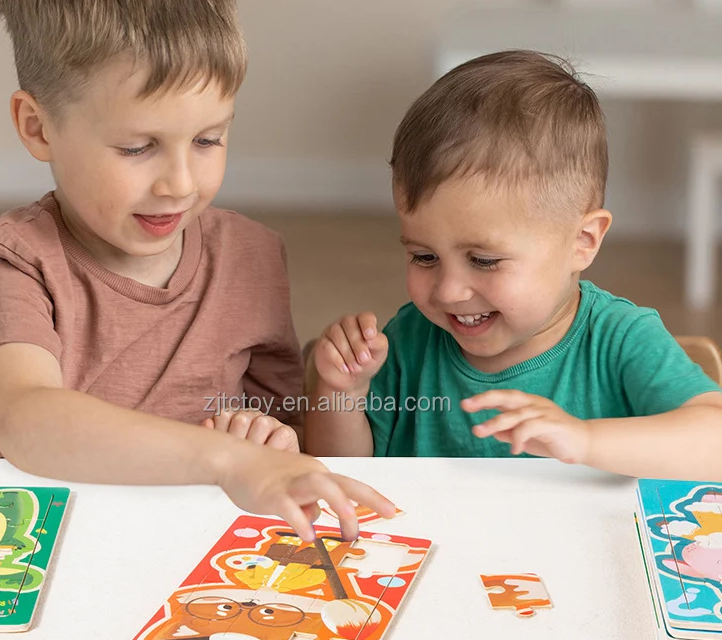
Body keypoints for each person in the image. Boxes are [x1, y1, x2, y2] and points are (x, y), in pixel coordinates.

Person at [0, 0, 393, 541]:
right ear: (38, 127)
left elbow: (280, 429)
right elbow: (26, 420)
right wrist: (225, 459)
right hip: (35, 549)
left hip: (188, 545)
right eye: (138, 147)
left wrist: (265, 438)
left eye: (208, 139)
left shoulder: (250, 255)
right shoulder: (14, 264)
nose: (180, 184)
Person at [305, 50, 722, 480]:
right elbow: (340, 473)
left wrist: (585, 440)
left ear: (583, 242)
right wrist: (343, 392)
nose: (448, 290)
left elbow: (714, 442)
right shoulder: (410, 341)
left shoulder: (620, 341)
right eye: (424, 256)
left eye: (483, 260)